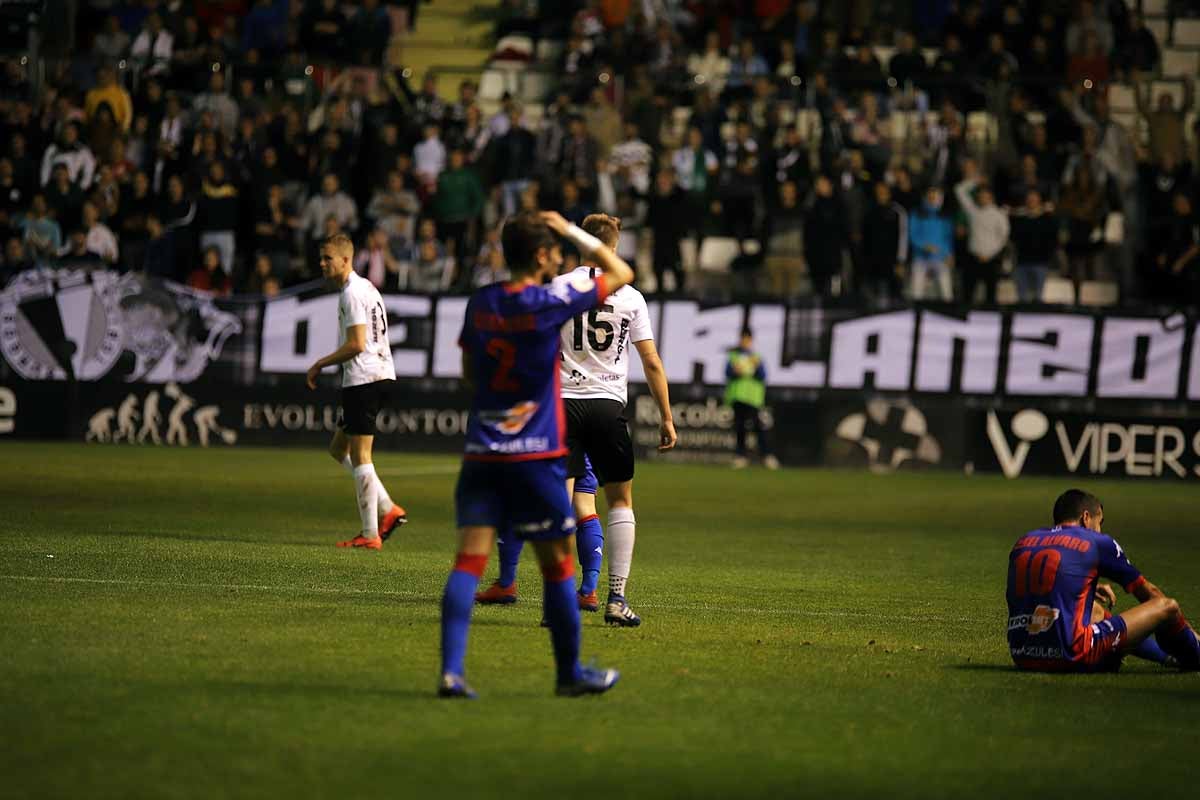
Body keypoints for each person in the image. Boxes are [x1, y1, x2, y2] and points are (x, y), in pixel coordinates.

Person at [439, 210, 634, 699]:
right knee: (557, 567)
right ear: (543, 255)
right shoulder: (549, 302)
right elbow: (622, 273)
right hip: (536, 458)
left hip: (484, 452)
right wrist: (574, 230)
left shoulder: (481, 303)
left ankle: (451, 673)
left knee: (467, 562)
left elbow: (468, 372)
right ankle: (569, 673)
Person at [475, 214, 677, 626]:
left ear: (582, 243)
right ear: (614, 246)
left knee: (558, 503)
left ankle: (558, 599)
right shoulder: (630, 295)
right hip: (607, 407)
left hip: (562, 407)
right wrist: (666, 418)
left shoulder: (560, 286)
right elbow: (652, 362)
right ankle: (616, 598)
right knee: (619, 501)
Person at [1007, 489, 1199, 673]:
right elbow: (1150, 593)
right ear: (1086, 518)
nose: (1100, 530)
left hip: (1023, 654)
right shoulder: (1096, 541)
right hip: (1071, 654)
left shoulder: (1024, 541)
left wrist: (1087, 586)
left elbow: (1038, 587)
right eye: (1100, 523)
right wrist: (1189, 633)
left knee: (1095, 611)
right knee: (1167, 607)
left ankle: (1165, 657)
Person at [305, 234, 406, 550]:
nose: (323, 264)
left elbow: (357, 343)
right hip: (380, 373)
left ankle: (370, 533)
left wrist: (320, 363)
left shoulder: (350, 293)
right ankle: (388, 509)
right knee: (339, 449)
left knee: (361, 455)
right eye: (321, 258)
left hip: (364, 378)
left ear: (346, 260)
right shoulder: (368, 288)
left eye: (328, 258)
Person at [725, 329, 777, 470]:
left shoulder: (756, 357)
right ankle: (741, 456)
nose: (745, 341)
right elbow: (728, 373)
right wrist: (736, 371)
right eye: (743, 339)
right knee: (740, 427)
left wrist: (753, 368)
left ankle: (767, 456)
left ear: (751, 340)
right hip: (738, 397)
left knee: (758, 427)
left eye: (747, 339)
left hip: (753, 398)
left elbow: (762, 375)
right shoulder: (734, 356)